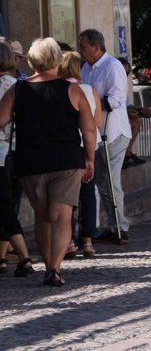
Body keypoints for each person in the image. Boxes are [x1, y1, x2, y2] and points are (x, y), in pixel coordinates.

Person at [0, 38, 96, 286]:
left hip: (30, 161)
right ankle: (55, 268)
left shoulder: (18, 90)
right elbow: (89, 131)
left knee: (42, 216)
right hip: (66, 161)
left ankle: (48, 265)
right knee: (62, 216)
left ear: (32, 61)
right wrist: (90, 158)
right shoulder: (72, 90)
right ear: (57, 58)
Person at [78, 29, 132, 243]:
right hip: (97, 134)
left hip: (114, 132)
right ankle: (113, 224)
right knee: (102, 182)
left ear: (96, 47)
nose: (80, 50)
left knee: (110, 181)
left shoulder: (112, 66)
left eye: (83, 46)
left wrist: (88, 101)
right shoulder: (86, 68)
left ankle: (120, 227)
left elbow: (116, 100)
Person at [59, 51, 102, 258]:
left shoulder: (61, 89)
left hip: (70, 146)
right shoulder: (89, 90)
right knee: (88, 194)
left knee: (66, 195)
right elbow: (97, 122)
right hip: (90, 144)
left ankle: (68, 241)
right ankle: (87, 241)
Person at [0, 42, 34, 277]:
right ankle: (2, 258)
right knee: (8, 204)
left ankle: (24, 257)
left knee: (3, 208)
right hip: (18, 152)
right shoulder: (20, 87)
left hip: (0, 154)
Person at [117, 57, 151, 168]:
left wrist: (139, 111)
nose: (124, 75)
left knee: (135, 122)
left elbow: (127, 105)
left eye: (126, 73)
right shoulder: (112, 82)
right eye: (122, 72)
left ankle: (127, 154)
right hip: (111, 119)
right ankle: (124, 156)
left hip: (121, 117)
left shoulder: (123, 85)